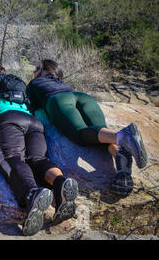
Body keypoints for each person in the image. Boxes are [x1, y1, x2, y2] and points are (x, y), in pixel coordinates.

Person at [0, 65, 79, 236]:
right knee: (38, 159)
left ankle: (32, 193)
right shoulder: (21, 86)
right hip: (33, 122)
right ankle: (60, 183)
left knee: (13, 158)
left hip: (7, 120)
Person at [26, 59, 149, 197]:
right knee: (99, 131)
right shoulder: (60, 82)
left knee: (80, 133)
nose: (34, 71)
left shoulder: (34, 84)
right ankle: (118, 154)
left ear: (46, 70)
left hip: (57, 99)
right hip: (84, 98)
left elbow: (33, 111)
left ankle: (122, 136)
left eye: (37, 68)